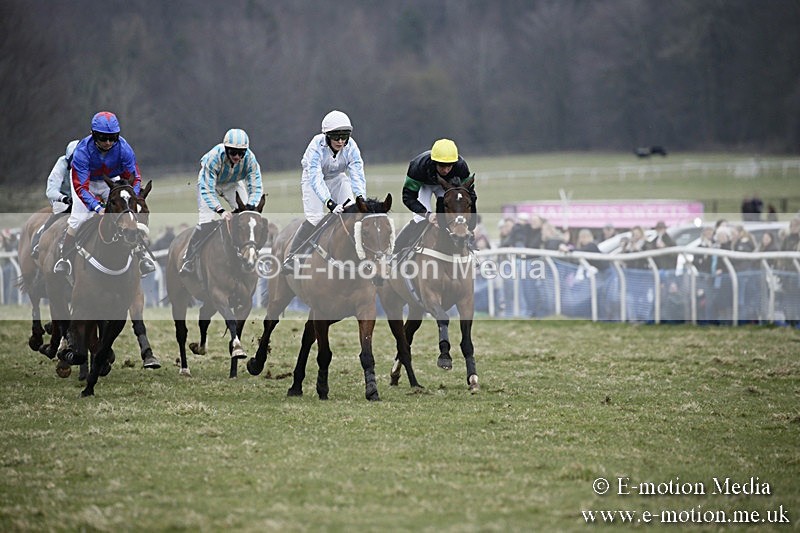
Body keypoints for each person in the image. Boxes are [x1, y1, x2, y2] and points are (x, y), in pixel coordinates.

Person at [53, 112, 155, 276]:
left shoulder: (124, 149)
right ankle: (65, 259)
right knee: (79, 218)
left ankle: (141, 255)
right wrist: (97, 207)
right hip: (86, 183)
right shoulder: (82, 152)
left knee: (128, 214)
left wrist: (133, 198)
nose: (108, 142)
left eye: (112, 138)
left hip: (111, 181)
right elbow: (81, 188)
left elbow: (135, 178)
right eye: (103, 138)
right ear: (94, 134)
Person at [281, 110, 367, 270]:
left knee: (352, 214)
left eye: (344, 137)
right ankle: (292, 256)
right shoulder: (316, 145)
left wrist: (361, 197)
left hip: (337, 178)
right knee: (315, 219)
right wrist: (330, 203)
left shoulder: (352, 147)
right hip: (313, 180)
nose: (341, 141)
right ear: (327, 136)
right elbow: (315, 177)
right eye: (336, 137)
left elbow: (357, 173)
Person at [179, 128, 264, 274]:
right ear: (226, 150)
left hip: (232, 184)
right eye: (233, 152)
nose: (237, 156)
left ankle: (250, 254)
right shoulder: (213, 158)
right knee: (206, 222)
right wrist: (221, 211)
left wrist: (251, 205)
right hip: (209, 185)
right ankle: (189, 258)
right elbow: (207, 190)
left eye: (241, 153)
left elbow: (256, 186)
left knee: (249, 217)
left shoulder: (251, 159)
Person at [393, 138, 476, 252]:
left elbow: (470, 196)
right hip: (424, 186)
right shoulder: (418, 166)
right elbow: (408, 197)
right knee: (419, 219)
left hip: (447, 187)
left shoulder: (461, 166)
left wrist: (470, 222)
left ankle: (469, 246)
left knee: (451, 216)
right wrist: (427, 215)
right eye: (442, 166)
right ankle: (400, 250)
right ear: (434, 162)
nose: (446, 170)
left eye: (449, 166)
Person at [30, 139, 80, 258]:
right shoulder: (62, 164)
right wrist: (64, 198)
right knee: (58, 214)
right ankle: (38, 242)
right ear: (70, 158)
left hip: (80, 200)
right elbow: (51, 190)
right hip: (63, 201)